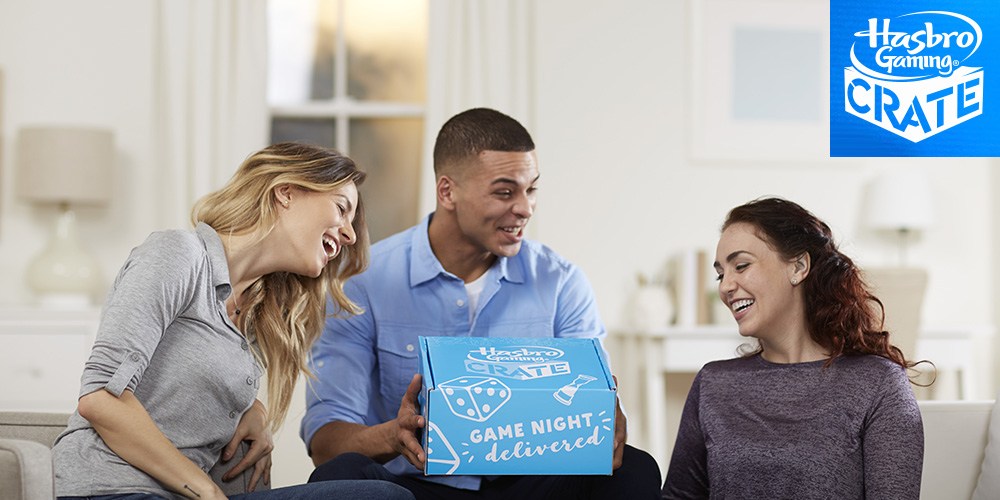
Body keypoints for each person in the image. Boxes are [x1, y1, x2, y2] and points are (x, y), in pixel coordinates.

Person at [302, 107, 662, 499]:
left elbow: (596, 410)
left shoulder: (561, 282)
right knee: (340, 474)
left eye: (531, 190)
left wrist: (606, 420)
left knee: (635, 469)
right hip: (416, 487)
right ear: (447, 192)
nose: (525, 208)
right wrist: (395, 434)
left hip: (530, 487)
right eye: (505, 192)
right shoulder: (364, 283)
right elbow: (326, 442)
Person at [52, 143, 413, 500]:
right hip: (113, 488)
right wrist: (206, 490)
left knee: (381, 495)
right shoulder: (179, 254)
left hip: (180, 496)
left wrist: (251, 407)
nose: (350, 235)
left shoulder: (255, 312)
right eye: (341, 208)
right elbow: (101, 397)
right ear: (285, 192)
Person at [661, 197, 924, 499]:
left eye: (741, 266)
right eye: (721, 274)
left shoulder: (877, 383)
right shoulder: (713, 384)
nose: (725, 286)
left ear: (798, 267)